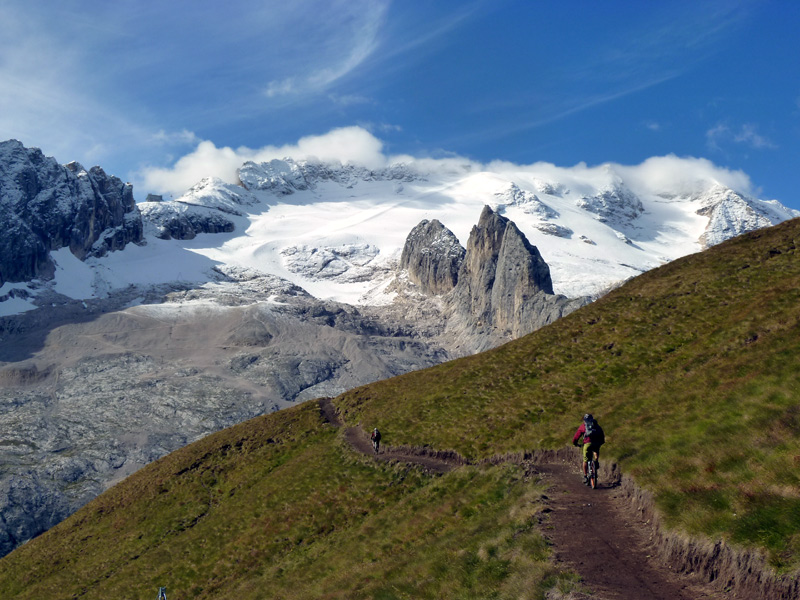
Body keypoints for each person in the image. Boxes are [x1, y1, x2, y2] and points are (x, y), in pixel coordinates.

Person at [572, 413, 605, 485]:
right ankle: (596, 461)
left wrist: (575, 443)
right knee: (596, 450)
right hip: (596, 443)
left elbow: (576, 437)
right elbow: (602, 435)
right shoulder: (596, 425)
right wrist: (601, 442)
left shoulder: (583, 426)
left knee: (585, 460)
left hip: (587, 444)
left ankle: (585, 476)